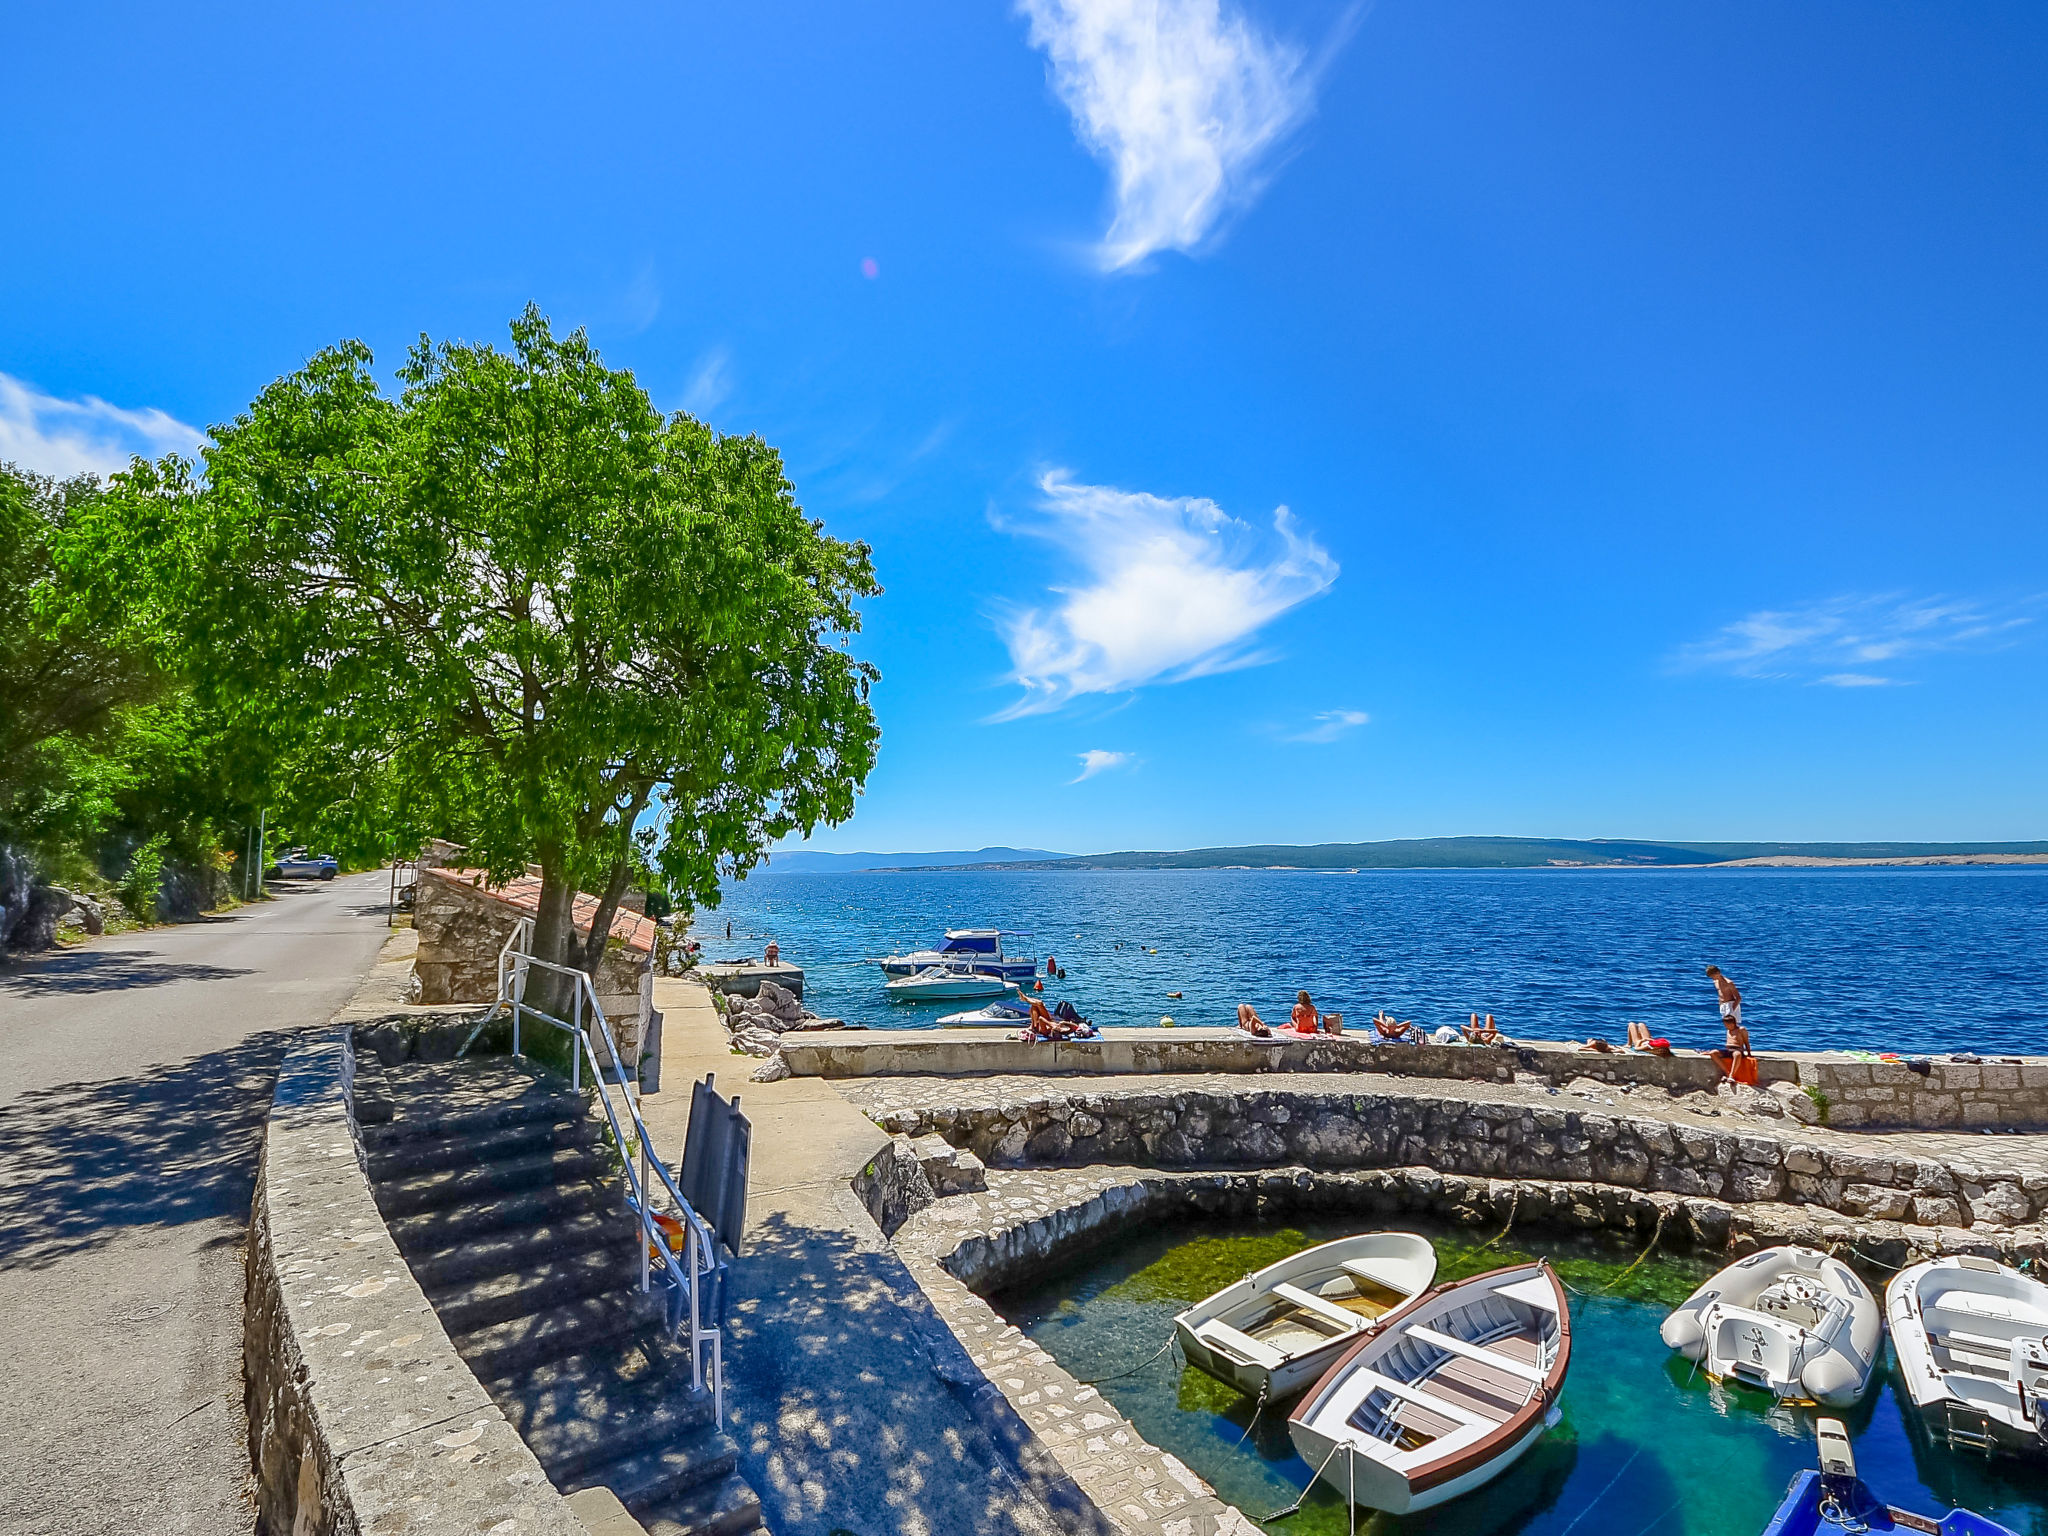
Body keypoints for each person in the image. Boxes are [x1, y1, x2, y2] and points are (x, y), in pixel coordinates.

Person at [1705, 966, 1756, 1083]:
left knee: (1735, 1028)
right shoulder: (1716, 982)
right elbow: (1720, 995)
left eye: (1713, 975)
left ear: (1718, 972)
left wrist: (1732, 1010)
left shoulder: (1729, 983)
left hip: (1731, 1005)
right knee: (1728, 1029)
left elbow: (1738, 998)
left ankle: (1740, 1048)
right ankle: (1729, 1048)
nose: (1712, 978)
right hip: (1723, 1006)